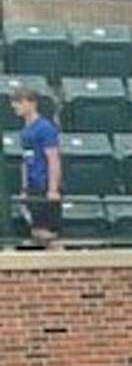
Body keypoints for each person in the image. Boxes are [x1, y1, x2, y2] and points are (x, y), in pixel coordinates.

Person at [13, 85, 61, 250]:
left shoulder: (45, 128)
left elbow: (53, 159)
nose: (16, 107)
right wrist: (24, 187)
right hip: (32, 185)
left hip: (44, 183)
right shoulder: (25, 132)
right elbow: (26, 160)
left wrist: (52, 189)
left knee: (45, 232)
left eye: (19, 102)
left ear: (31, 103)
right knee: (35, 230)